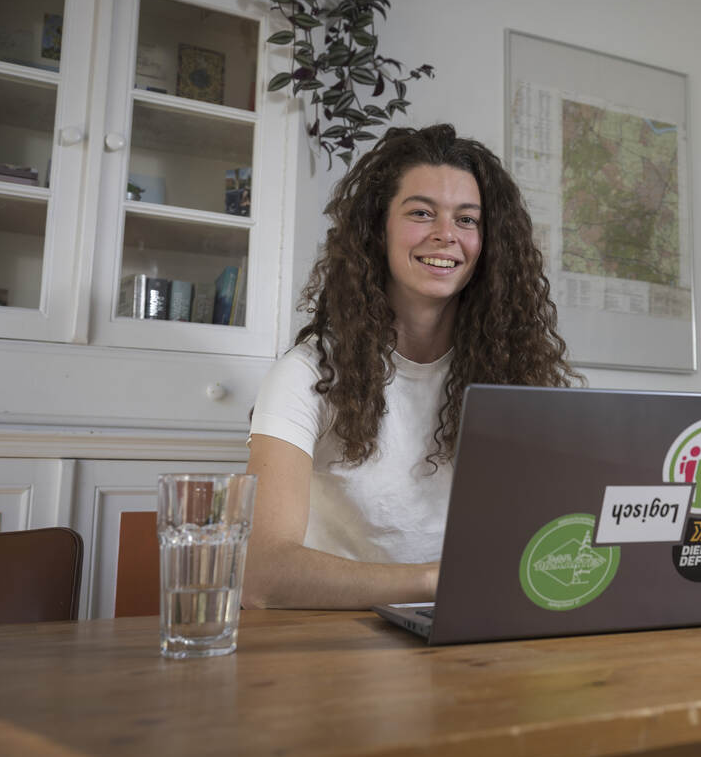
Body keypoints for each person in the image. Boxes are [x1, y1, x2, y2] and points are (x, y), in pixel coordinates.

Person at [242, 124, 581, 609]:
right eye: (422, 213)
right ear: (377, 229)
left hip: (470, 633)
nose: (446, 235)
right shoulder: (304, 375)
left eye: (467, 220)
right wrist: (435, 582)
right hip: (331, 641)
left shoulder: (516, 373)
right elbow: (261, 574)